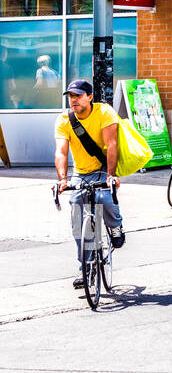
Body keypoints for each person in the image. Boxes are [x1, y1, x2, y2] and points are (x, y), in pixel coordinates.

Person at [54, 79, 124, 290]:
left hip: (103, 168)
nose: (73, 100)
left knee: (104, 197)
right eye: (71, 97)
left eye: (78, 96)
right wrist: (63, 179)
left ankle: (116, 226)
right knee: (76, 209)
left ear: (90, 96)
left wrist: (111, 175)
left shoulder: (105, 113)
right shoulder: (65, 120)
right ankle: (85, 266)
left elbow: (112, 145)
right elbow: (61, 152)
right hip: (81, 172)